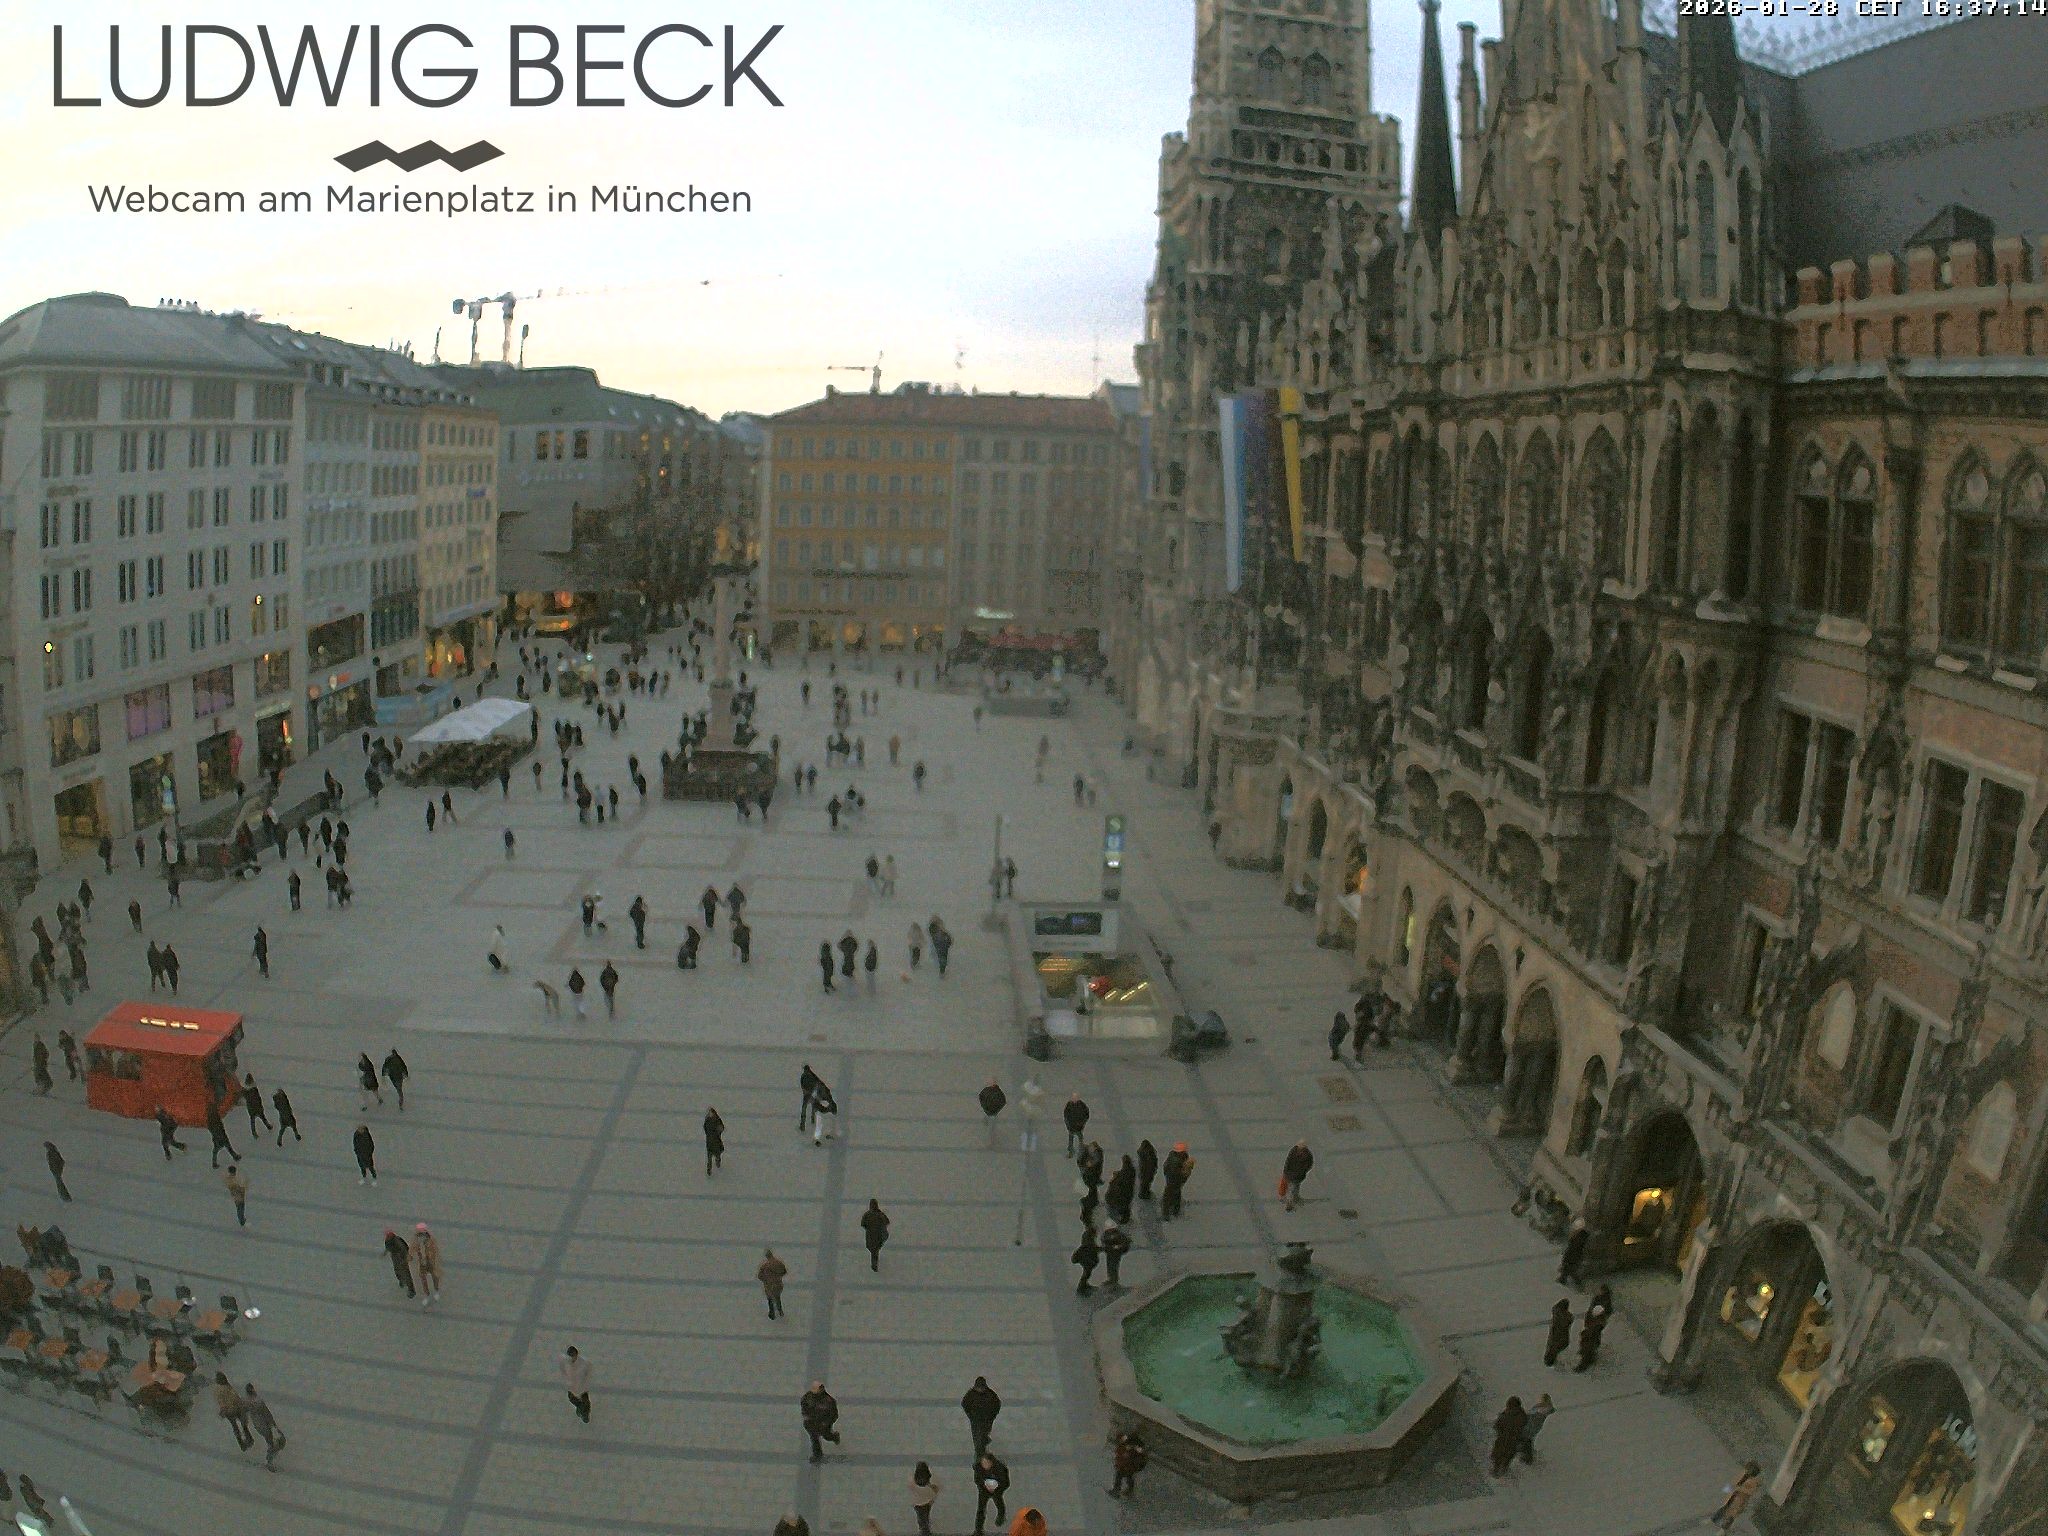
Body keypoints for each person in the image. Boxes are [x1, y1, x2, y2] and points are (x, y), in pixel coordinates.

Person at [245, 1382, 287, 1470]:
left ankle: (271, 1457)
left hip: (258, 1425)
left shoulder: (247, 1402)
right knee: (273, 1442)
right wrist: (273, 1425)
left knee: (270, 1441)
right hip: (265, 1425)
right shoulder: (258, 1402)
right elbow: (267, 1414)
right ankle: (270, 1461)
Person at [1711, 1461, 1763, 1531]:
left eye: (1749, 1469)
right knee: (1725, 1507)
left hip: (1740, 1500)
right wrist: (1727, 1489)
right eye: (1747, 1468)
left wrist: (1739, 1488)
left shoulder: (1754, 1482)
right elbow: (1735, 1482)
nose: (1747, 1470)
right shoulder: (1744, 1475)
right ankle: (1715, 1518)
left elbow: (1750, 1492)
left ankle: (1724, 1529)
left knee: (1731, 1514)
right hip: (1733, 1495)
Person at [800, 1380, 841, 1462]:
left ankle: (834, 1437)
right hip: (811, 1422)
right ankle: (817, 1455)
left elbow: (834, 1415)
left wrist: (827, 1423)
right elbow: (804, 1407)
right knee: (814, 1437)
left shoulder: (829, 1401)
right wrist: (806, 1416)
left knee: (827, 1436)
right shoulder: (807, 1397)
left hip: (824, 1423)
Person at [214, 1370, 254, 1451]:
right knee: (241, 1423)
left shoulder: (223, 1386)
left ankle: (244, 1441)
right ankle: (246, 1440)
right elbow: (224, 1400)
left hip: (232, 1409)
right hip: (232, 1409)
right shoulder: (221, 1389)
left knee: (237, 1425)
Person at [972, 1451, 1010, 1536]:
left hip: (997, 1488)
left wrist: (997, 1487)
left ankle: (1001, 1516)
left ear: (991, 1462)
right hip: (984, 1489)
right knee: (981, 1508)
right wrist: (984, 1485)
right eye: (983, 1463)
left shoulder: (1000, 1468)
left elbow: (1006, 1483)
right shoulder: (978, 1467)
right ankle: (978, 1530)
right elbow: (977, 1479)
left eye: (986, 1463)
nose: (984, 1465)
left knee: (998, 1501)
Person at [961, 1376, 1001, 1456]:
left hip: (987, 1419)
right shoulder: (971, 1394)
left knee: (984, 1433)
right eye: (978, 1387)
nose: (980, 1390)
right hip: (975, 1420)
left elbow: (997, 1404)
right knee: (977, 1436)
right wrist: (970, 1414)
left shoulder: (990, 1394)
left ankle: (982, 1445)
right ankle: (980, 1451)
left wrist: (993, 1415)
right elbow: (964, 1404)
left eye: (981, 1388)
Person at [1490, 1396, 1528, 1476]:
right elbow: (1523, 1428)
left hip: (1502, 1441)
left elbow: (1497, 1426)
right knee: (1505, 1462)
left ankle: (1496, 1475)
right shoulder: (1522, 1415)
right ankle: (1502, 1476)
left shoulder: (1505, 1414)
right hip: (1512, 1443)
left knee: (1497, 1461)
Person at [1110, 1430, 1148, 1498]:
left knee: (1121, 1475)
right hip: (1130, 1465)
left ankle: (1118, 1490)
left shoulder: (1132, 1446)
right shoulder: (1128, 1444)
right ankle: (1128, 1491)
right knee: (1128, 1476)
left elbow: (1128, 1456)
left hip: (1131, 1465)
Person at [1160, 1143, 1194, 1219]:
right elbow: (1177, 1173)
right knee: (1170, 1195)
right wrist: (1186, 1170)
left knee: (1174, 1193)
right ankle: (1167, 1212)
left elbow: (1166, 1166)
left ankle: (1174, 1209)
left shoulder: (1175, 1156)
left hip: (1174, 1180)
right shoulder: (1176, 1161)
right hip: (1174, 1180)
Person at [1518, 1392, 1554, 1462]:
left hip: (1529, 1431)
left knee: (1526, 1444)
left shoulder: (1542, 1409)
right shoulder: (1538, 1408)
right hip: (1529, 1431)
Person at [413, 1222, 443, 1306]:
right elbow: (412, 1248)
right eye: (419, 1233)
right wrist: (410, 1256)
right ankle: (427, 1295)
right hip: (422, 1263)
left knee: (435, 1276)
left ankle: (436, 1291)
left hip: (430, 1262)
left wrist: (433, 1259)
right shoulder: (416, 1240)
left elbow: (435, 1251)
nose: (420, 1235)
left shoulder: (431, 1240)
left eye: (422, 1233)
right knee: (423, 1280)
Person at [561, 1345, 593, 1423]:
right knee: (572, 1399)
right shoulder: (568, 1363)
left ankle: (585, 1414)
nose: (571, 1358)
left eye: (573, 1356)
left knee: (585, 1402)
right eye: (570, 1356)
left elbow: (588, 1374)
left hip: (582, 1387)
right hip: (573, 1387)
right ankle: (581, 1410)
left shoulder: (584, 1363)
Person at [1280, 1140, 1315, 1211]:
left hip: (1298, 1176)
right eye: (1299, 1146)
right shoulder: (1293, 1151)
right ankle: (1290, 1203)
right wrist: (1286, 1171)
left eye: (1301, 1147)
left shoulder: (1307, 1155)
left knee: (1294, 1187)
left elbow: (1308, 1165)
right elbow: (1288, 1161)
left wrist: (1302, 1172)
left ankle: (1294, 1198)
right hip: (1290, 1173)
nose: (1299, 1148)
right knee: (1292, 1188)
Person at [909, 1461, 941, 1535]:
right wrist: (932, 1499)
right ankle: (926, 1531)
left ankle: (924, 1531)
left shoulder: (913, 1479)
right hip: (927, 1502)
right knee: (925, 1517)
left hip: (917, 1503)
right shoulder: (930, 1480)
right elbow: (936, 1489)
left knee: (921, 1519)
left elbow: (911, 1488)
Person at [384, 1229, 418, 1298]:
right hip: (395, 1258)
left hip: (402, 1258)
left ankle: (411, 1289)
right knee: (397, 1270)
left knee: (405, 1272)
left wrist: (408, 1256)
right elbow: (388, 1248)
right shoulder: (388, 1241)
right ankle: (401, 1280)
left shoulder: (397, 1241)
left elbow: (403, 1249)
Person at [205, 1103, 240, 1169]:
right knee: (223, 1147)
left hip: (217, 1135)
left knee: (219, 1148)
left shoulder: (210, 1119)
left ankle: (215, 1162)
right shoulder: (214, 1117)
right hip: (220, 1134)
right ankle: (234, 1156)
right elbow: (218, 1126)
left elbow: (211, 1127)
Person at [1557, 1217, 1589, 1288]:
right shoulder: (1580, 1236)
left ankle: (1576, 1284)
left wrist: (1567, 1256)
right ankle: (1563, 1279)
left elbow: (1574, 1248)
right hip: (1573, 1255)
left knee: (1571, 1270)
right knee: (1569, 1269)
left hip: (1574, 1256)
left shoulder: (1580, 1237)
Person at [861, 1198, 891, 1271]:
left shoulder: (867, 1214)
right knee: (875, 1250)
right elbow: (887, 1222)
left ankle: (874, 1264)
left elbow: (863, 1224)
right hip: (878, 1236)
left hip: (871, 1236)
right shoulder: (880, 1214)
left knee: (873, 1251)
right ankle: (874, 1264)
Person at [758, 1248, 788, 1319]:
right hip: (778, 1284)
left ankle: (772, 1314)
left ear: (767, 1256)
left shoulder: (764, 1266)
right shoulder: (779, 1263)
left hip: (769, 1285)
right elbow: (784, 1271)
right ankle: (780, 1312)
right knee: (777, 1297)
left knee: (770, 1299)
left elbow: (760, 1276)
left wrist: (766, 1279)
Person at [1100, 1222, 1132, 1288]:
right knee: (1110, 1266)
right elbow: (1104, 1242)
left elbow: (1125, 1242)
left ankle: (1114, 1280)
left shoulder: (1118, 1235)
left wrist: (1118, 1246)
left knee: (1114, 1266)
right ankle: (1111, 1279)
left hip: (1116, 1253)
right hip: (1110, 1253)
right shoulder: (1106, 1235)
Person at [1544, 1296, 1574, 1367]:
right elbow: (1568, 1321)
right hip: (1562, 1336)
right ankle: (1552, 1360)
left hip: (1556, 1335)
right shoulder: (1567, 1315)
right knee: (1556, 1348)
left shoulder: (1557, 1312)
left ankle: (1550, 1360)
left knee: (1553, 1347)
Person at [1071, 1226, 1100, 1296]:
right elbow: (1091, 1248)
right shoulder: (1089, 1242)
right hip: (1087, 1260)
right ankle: (1081, 1288)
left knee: (1087, 1273)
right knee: (1086, 1274)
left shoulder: (1089, 1241)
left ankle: (1084, 1285)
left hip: (1088, 1260)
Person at [978, 1078, 1006, 1145]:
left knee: (991, 1129)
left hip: (992, 1113)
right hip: (990, 1112)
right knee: (991, 1128)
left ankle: (991, 1142)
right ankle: (991, 1141)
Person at [703, 1107, 725, 1176]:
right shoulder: (707, 1120)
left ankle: (717, 1161)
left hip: (715, 1140)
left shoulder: (717, 1119)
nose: (710, 1114)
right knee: (709, 1156)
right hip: (710, 1141)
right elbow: (705, 1128)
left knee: (716, 1153)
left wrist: (718, 1131)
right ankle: (709, 1169)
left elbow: (721, 1128)